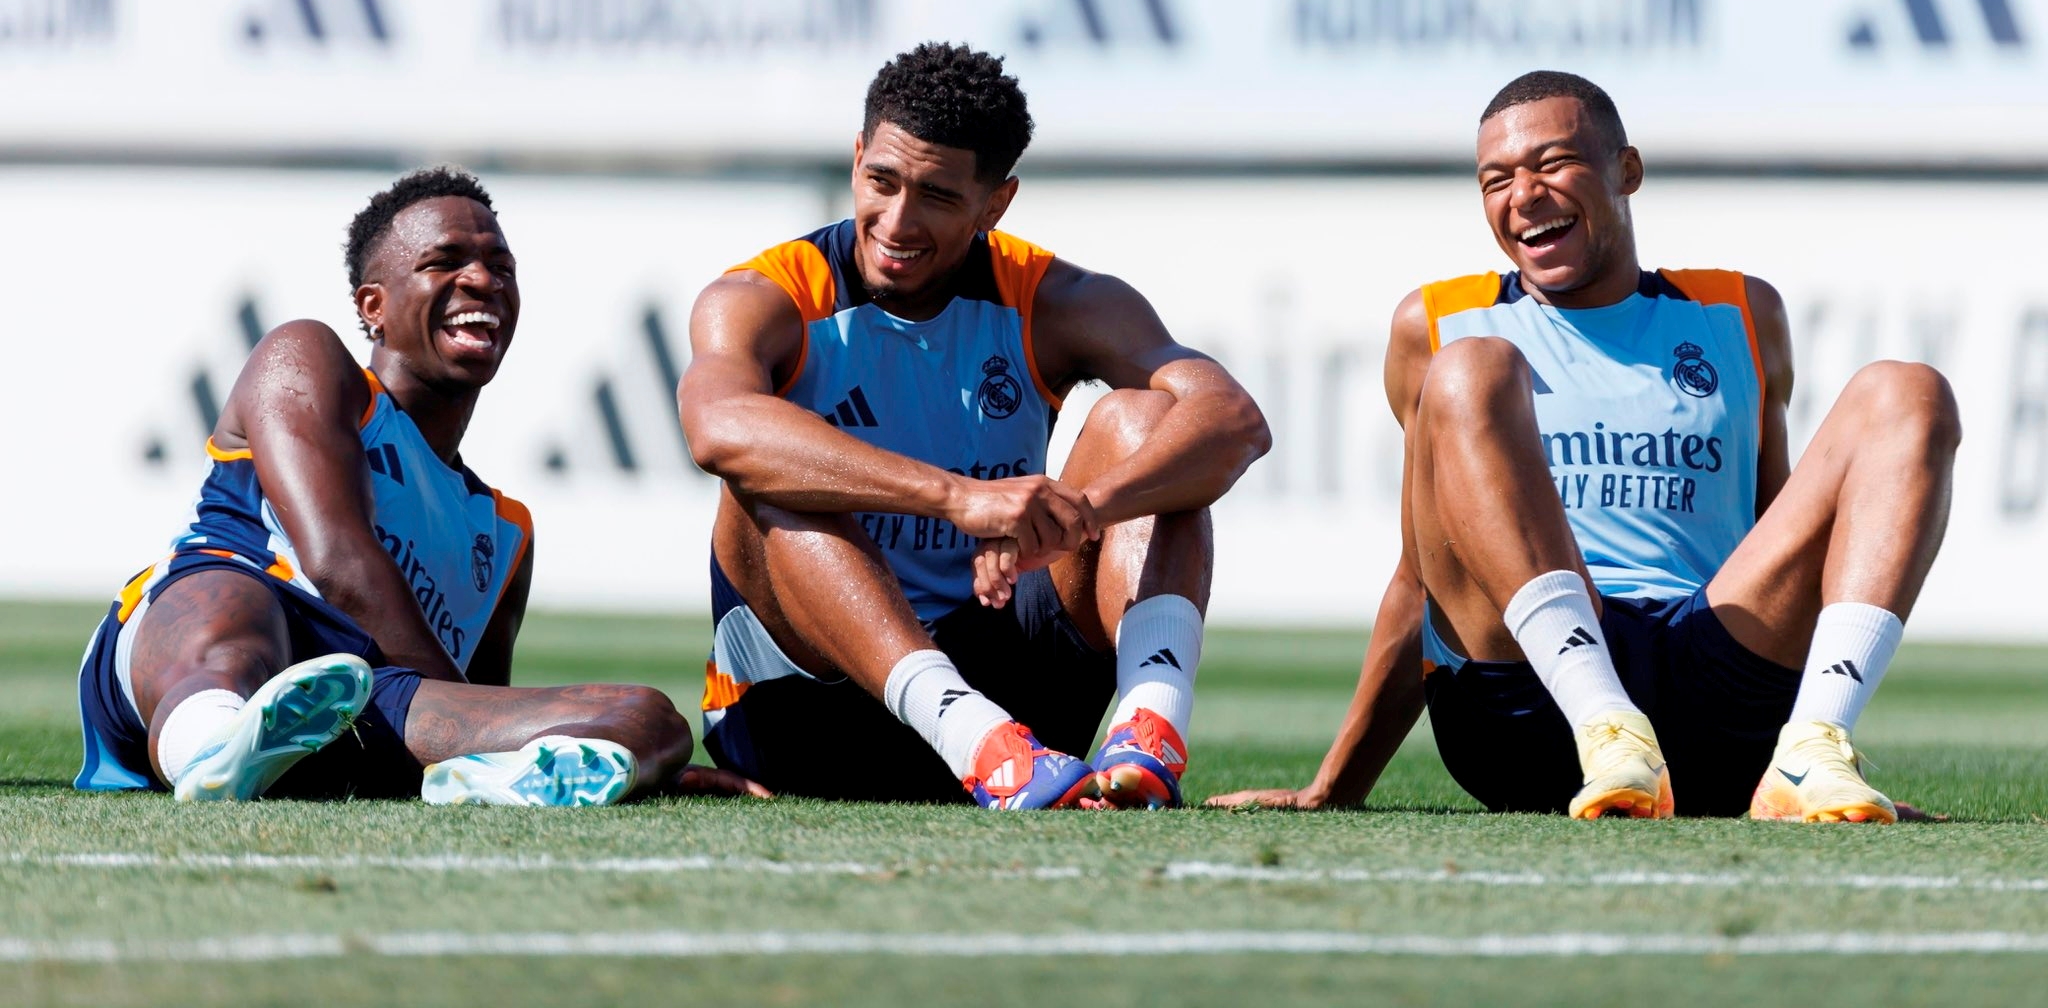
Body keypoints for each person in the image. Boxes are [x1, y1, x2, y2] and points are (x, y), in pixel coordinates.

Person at [1209, 71, 1958, 822]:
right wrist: (1333, 788)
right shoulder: (1438, 325)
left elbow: (1786, 539)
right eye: (1495, 179)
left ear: (1625, 171)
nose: (1523, 195)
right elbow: (1423, 573)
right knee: (1474, 367)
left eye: (1552, 163)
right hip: (1533, 710)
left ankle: (1813, 753)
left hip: (1714, 691)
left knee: (1909, 391)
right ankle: (1608, 727)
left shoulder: (1740, 312)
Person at [679, 43, 1269, 810]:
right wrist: (960, 500)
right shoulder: (765, 295)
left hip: (1017, 711)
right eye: (881, 181)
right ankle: (975, 739)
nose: (897, 221)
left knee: (1147, 422)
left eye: (936, 197)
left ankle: (1146, 735)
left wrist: (1081, 512)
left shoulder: (1054, 297)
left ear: (996, 204)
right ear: (857, 156)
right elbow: (717, 430)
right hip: (808, 722)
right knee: (764, 474)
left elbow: (1233, 421)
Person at [76, 167, 764, 805]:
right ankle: (216, 746)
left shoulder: (506, 531)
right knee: (238, 606)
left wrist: (622, 751)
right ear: (372, 305)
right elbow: (339, 563)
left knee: (651, 718)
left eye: (501, 267)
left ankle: (472, 782)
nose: (482, 281)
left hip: (371, 704)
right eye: (445, 262)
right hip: (197, 642)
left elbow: (480, 700)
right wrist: (458, 708)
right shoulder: (309, 358)